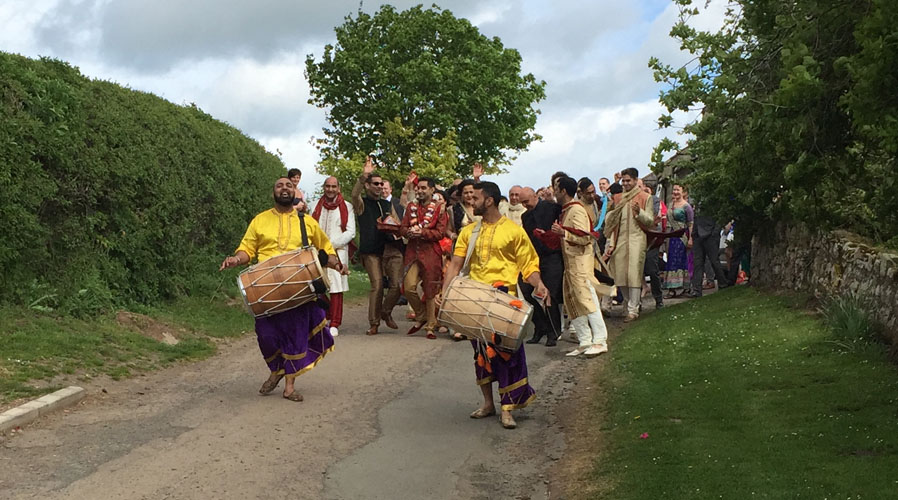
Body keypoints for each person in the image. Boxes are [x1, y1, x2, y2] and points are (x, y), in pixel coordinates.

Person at [220, 177, 342, 402]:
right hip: (266, 288)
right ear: (273, 193)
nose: (284, 188)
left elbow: (325, 247)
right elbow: (247, 248)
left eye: (289, 186)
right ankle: (277, 370)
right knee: (266, 335)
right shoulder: (260, 220)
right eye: (279, 186)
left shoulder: (307, 222)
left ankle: (289, 386)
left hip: (299, 286)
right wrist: (236, 260)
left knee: (295, 334)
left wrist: (335, 263)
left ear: (295, 192)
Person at [440, 181, 550, 430]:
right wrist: (445, 293)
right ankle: (488, 403)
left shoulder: (513, 231)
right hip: (475, 299)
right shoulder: (469, 232)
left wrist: (539, 284)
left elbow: (528, 264)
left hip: (504, 301)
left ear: (489, 200)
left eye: (476, 198)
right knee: (480, 355)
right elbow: (456, 264)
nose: (471, 202)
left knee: (507, 356)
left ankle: (507, 409)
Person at [552, 177, 609, 357]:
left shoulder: (576, 210)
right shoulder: (567, 210)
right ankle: (585, 340)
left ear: (563, 191)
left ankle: (600, 340)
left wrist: (564, 233)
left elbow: (585, 237)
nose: (553, 192)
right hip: (570, 264)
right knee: (572, 302)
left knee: (587, 300)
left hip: (580, 264)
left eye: (555, 188)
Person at [351, 157, 403, 335]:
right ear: (367, 185)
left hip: (390, 250)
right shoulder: (362, 204)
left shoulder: (387, 204)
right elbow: (354, 195)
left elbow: (397, 223)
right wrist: (363, 175)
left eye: (382, 184)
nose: (380, 187)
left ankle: (385, 312)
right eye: (376, 184)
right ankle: (374, 323)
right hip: (371, 252)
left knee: (397, 286)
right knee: (378, 285)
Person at [399, 177, 449, 339]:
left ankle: (431, 324)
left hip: (431, 253)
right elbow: (403, 227)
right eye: (418, 188)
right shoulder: (411, 207)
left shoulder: (440, 209)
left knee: (430, 289)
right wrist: (409, 232)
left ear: (432, 190)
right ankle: (422, 316)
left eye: (423, 188)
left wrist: (423, 232)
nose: (420, 191)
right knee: (408, 287)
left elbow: (440, 233)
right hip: (412, 252)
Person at [603, 168, 654, 322]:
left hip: (637, 238)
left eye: (628, 181)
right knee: (620, 274)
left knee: (633, 273)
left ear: (635, 180)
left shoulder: (645, 197)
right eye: (623, 181)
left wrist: (639, 213)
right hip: (620, 238)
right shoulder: (618, 199)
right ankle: (629, 303)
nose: (625, 183)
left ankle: (633, 310)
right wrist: (612, 242)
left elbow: (650, 221)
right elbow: (610, 221)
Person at [310, 176, 355, 337]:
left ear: (338, 188)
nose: (330, 189)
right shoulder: (314, 205)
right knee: (316, 285)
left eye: (333, 186)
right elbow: (310, 227)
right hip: (317, 252)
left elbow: (351, 231)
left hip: (338, 251)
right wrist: (319, 246)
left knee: (336, 287)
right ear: (324, 187)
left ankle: (335, 322)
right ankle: (326, 315)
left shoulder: (347, 207)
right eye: (327, 186)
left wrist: (330, 244)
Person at [519, 187, 563, 347]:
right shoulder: (525, 216)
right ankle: (540, 326)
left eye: (526, 201)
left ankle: (553, 331)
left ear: (534, 196)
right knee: (526, 291)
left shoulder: (551, 208)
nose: (525, 205)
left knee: (549, 294)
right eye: (522, 203)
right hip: (534, 258)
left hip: (551, 256)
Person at [688, 200, 731, 298]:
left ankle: (723, 284)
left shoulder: (714, 199)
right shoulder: (698, 200)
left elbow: (719, 218)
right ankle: (697, 290)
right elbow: (696, 218)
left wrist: (715, 233)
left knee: (714, 261)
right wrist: (694, 234)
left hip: (711, 235)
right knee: (697, 263)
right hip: (698, 235)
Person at [662, 184, 694, 297]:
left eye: (678, 190)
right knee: (671, 261)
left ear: (683, 192)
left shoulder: (687, 207)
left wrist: (690, 238)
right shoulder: (670, 205)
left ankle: (685, 286)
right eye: (674, 189)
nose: (675, 192)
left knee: (683, 260)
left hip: (682, 237)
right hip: (672, 237)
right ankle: (671, 288)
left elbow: (690, 224)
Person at [641, 177, 664, 310]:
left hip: (652, 240)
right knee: (636, 272)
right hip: (638, 239)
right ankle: (635, 303)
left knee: (653, 270)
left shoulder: (654, 200)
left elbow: (653, 218)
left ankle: (658, 298)